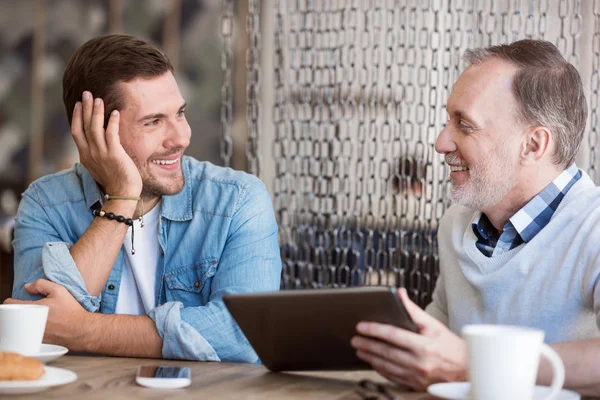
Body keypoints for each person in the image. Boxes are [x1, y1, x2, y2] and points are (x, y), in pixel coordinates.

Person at [6, 34, 282, 363]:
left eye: (180, 113)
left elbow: (244, 336)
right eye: (153, 122)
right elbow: (35, 329)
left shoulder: (237, 201)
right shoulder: (46, 204)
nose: (181, 137)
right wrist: (121, 197)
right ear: (94, 129)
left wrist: (85, 330)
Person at [351, 39, 600, 396]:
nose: (440, 143)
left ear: (532, 145)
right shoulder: (456, 223)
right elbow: (442, 323)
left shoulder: (594, 226)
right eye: (447, 121)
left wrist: (477, 363)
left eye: (464, 125)